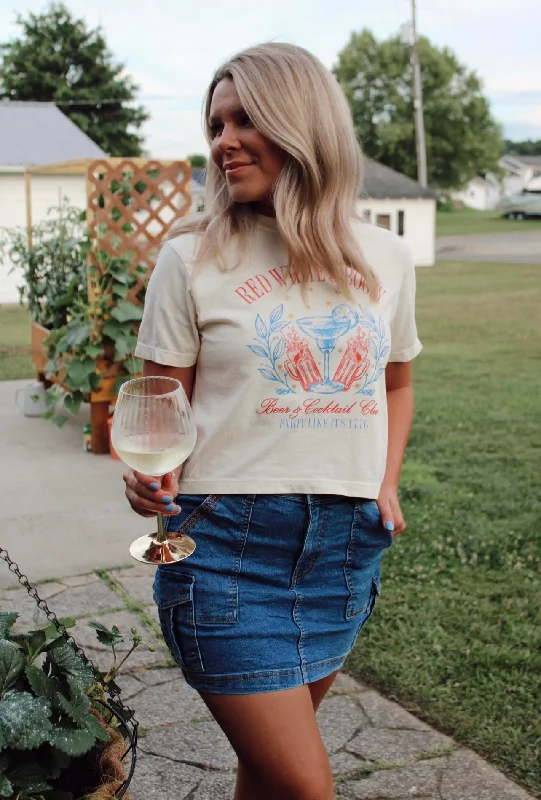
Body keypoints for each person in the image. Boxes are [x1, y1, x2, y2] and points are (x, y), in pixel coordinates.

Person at [123, 42, 422, 800]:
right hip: (227, 549)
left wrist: (383, 481)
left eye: (245, 119)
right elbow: (162, 413)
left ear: (302, 124)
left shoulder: (384, 257)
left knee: (268, 773)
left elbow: (396, 383)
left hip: (345, 551)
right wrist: (147, 477)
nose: (223, 140)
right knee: (303, 786)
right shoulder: (189, 257)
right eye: (215, 124)